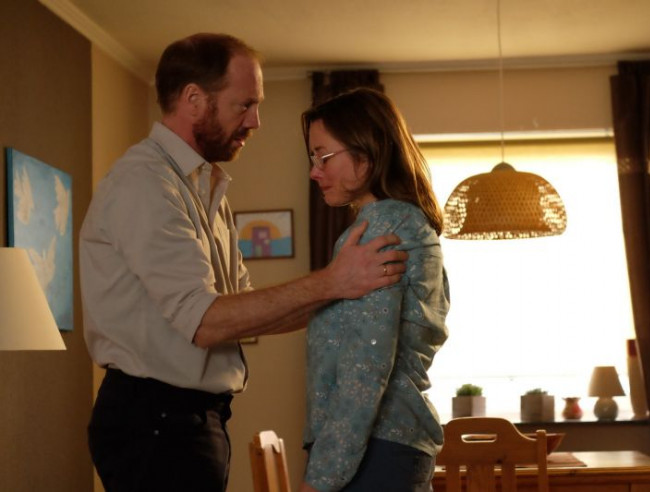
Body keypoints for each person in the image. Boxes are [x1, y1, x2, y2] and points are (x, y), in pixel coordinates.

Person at [79, 33, 407, 492]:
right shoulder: (145, 183)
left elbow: (247, 310)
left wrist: (350, 287)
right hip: (154, 422)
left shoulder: (204, 186)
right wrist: (333, 282)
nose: (255, 121)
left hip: (187, 419)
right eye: (245, 105)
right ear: (194, 99)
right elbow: (205, 322)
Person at [299, 88, 450, 492]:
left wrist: (321, 478)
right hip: (389, 449)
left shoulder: (382, 228)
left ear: (366, 153)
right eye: (312, 158)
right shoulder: (406, 223)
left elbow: (366, 368)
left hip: (373, 454)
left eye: (324, 156)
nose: (314, 171)